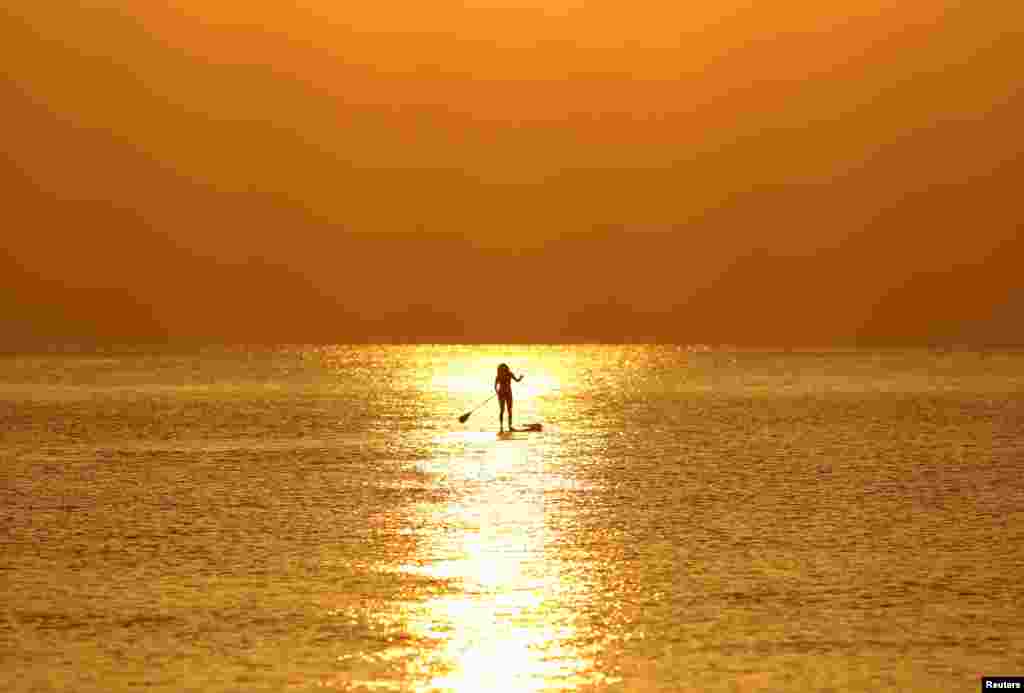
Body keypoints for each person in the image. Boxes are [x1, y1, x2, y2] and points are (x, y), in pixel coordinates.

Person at [494, 363, 523, 432]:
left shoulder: (510, 374)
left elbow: (517, 380)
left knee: (509, 410)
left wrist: (520, 378)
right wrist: (497, 391)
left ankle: (510, 426)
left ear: (506, 368)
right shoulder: (498, 376)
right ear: (500, 369)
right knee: (502, 410)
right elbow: (495, 386)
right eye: (502, 368)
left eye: (504, 368)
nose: (503, 369)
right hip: (501, 394)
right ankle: (501, 427)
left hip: (508, 393)